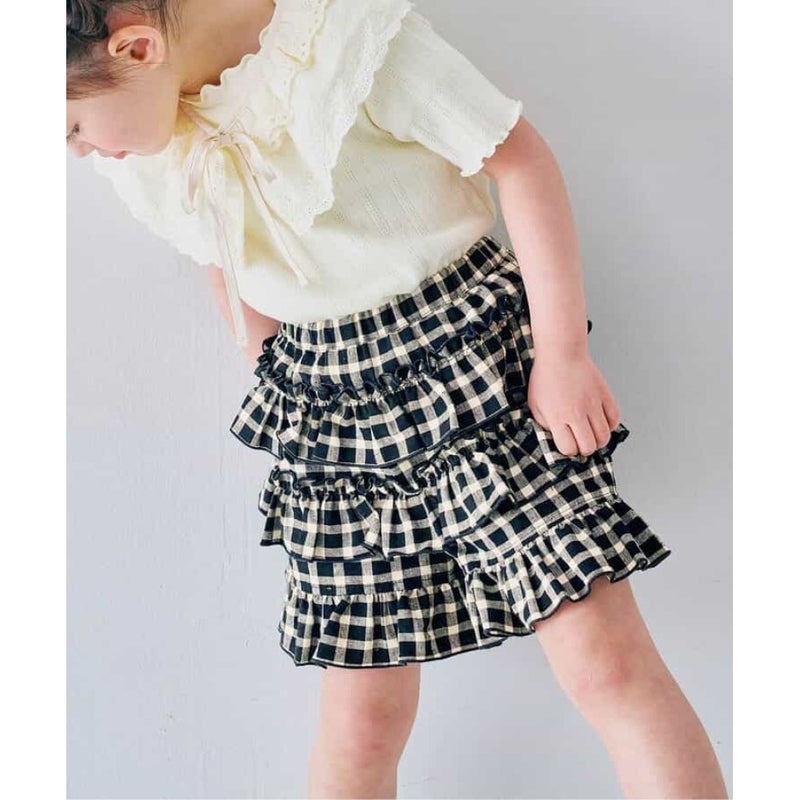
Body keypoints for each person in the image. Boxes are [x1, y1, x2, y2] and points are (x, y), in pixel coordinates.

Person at [67, 1, 728, 797]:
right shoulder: (158, 141)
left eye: (72, 125)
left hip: (470, 370)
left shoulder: (346, 42)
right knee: (362, 718)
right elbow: (220, 244)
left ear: (136, 49)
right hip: (329, 415)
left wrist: (563, 353)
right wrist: (267, 360)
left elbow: (519, 161)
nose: (77, 150)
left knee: (602, 661)